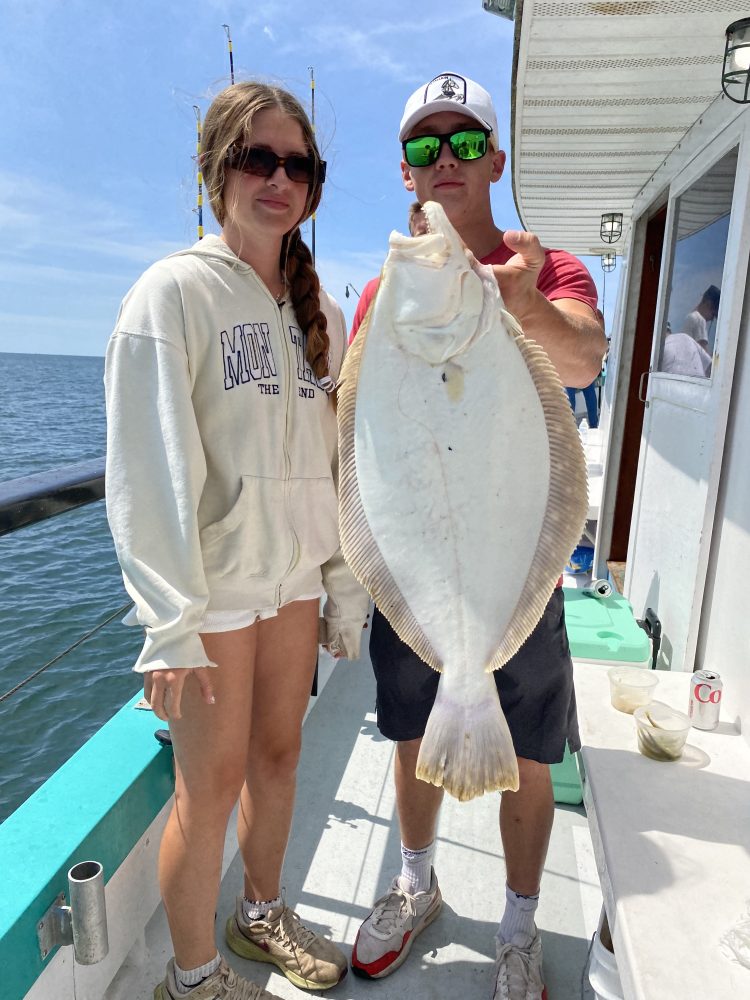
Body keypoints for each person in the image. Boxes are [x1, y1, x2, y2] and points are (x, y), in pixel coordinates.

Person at [104, 81, 369, 1000]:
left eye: (298, 164)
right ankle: (193, 975)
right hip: (213, 591)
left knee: (282, 759)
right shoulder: (171, 292)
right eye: (259, 158)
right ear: (218, 170)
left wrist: (341, 582)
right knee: (207, 793)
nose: (279, 178)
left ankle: (259, 915)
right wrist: (168, 625)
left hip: (292, 582)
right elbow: (147, 470)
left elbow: (336, 461)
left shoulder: (321, 314)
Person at [348, 72, 607, 1000]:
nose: (445, 159)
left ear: (496, 159)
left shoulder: (547, 267)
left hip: (511, 558)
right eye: (424, 147)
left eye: (464, 142)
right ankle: (416, 884)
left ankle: (520, 925)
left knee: (528, 754)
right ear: (406, 175)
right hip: (419, 546)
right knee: (411, 736)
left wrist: (522, 301)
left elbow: (581, 353)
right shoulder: (386, 290)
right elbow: (357, 418)